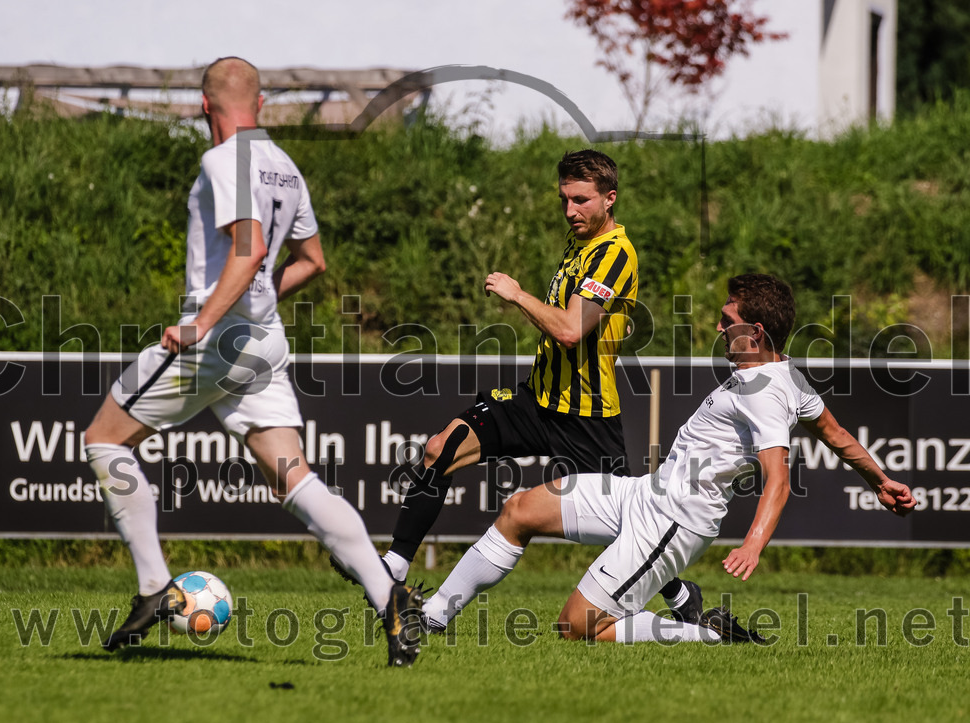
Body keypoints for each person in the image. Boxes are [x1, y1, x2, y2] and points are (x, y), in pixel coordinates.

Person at [84, 57, 423, 666]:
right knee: (297, 480)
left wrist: (201, 323)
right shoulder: (285, 167)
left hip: (215, 341)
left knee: (105, 440)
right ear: (260, 104)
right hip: (263, 340)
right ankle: (388, 599)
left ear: (202, 104)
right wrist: (256, 296)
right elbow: (311, 260)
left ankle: (154, 587)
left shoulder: (223, 160)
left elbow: (252, 250)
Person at [420, 274, 917, 644]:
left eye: (728, 320)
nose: (719, 327)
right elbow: (836, 433)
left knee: (576, 629)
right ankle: (433, 615)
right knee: (520, 510)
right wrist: (880, 480)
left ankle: (710, 635)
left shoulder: (765, 392)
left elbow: (779, 480)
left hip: (675, 522)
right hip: (645, 494)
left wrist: (753, 545)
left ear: (756, 331)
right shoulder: (786, 374)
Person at [364, 149, 701, 624]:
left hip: (586, 414)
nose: (570, 211)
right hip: (537, 399)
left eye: (581, 200)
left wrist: (517, 293)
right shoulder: (579, 242)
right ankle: (393, 568)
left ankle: (683, 601)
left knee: (630, 524)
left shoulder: (615, 253)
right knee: (443, 447)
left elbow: (568, 329)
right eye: (564, 199)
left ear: (610, 198)